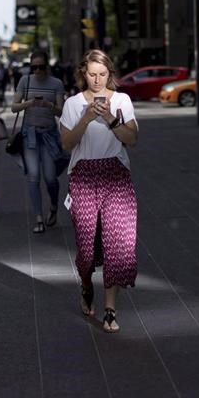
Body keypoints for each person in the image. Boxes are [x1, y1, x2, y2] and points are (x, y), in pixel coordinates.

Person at [59, 49, 139, 334]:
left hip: (116, 174)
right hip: (83, 176)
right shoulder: (72, 104)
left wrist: (111, 119)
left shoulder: (121, 100)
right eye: (92, 74)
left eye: (102, 74)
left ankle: (110, 309)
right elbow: (67, 145)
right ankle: (85, 284)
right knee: (86, 247)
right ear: (84, 74)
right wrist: (86, 118)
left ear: (110, 74)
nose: (97, 80)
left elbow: (133, 139)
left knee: (119, 242)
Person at [10, 50, 66, 233]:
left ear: (47, 66)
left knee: (50, 178)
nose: (38, 71)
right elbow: (13, 107)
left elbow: (61, 112)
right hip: (30, 135)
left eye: (41, 67)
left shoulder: (56, 83)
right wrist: (30, 103)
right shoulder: (25, 81)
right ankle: (38, 217)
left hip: (49, 135)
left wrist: (48, 105)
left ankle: (53, 207)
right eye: (34, 68)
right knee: (33, 176)